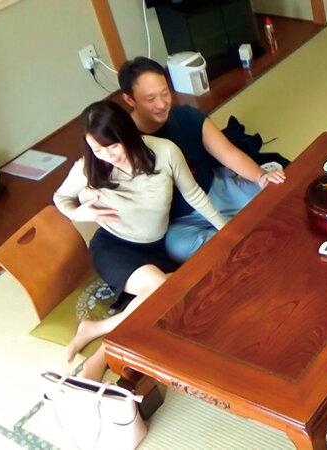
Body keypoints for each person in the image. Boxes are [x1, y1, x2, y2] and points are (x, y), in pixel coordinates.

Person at [53, 101, 225, 381]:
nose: (107, 156)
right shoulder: (87, 167)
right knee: (160, 289)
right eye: (97, 149)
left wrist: (226, 231)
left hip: (156, 248)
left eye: (112, 146)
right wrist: (77, 213)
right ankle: (102, 353)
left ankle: (96, 331)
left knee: (182, 295)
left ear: (127, 134)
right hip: (114, 246)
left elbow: (193, 194)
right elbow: (60, 197)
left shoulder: (164, 152)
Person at [117, 57, 286, 263]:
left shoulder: (187, 117)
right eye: (150, 99)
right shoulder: (122, 144)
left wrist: (260, 176)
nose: (161, 104)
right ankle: (238, 237)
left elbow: (228, 153)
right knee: (179, 248)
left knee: (278, 195)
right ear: (129, 100)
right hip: (180, 220)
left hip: (215, 190)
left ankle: (235, 230)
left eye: (165, 93)